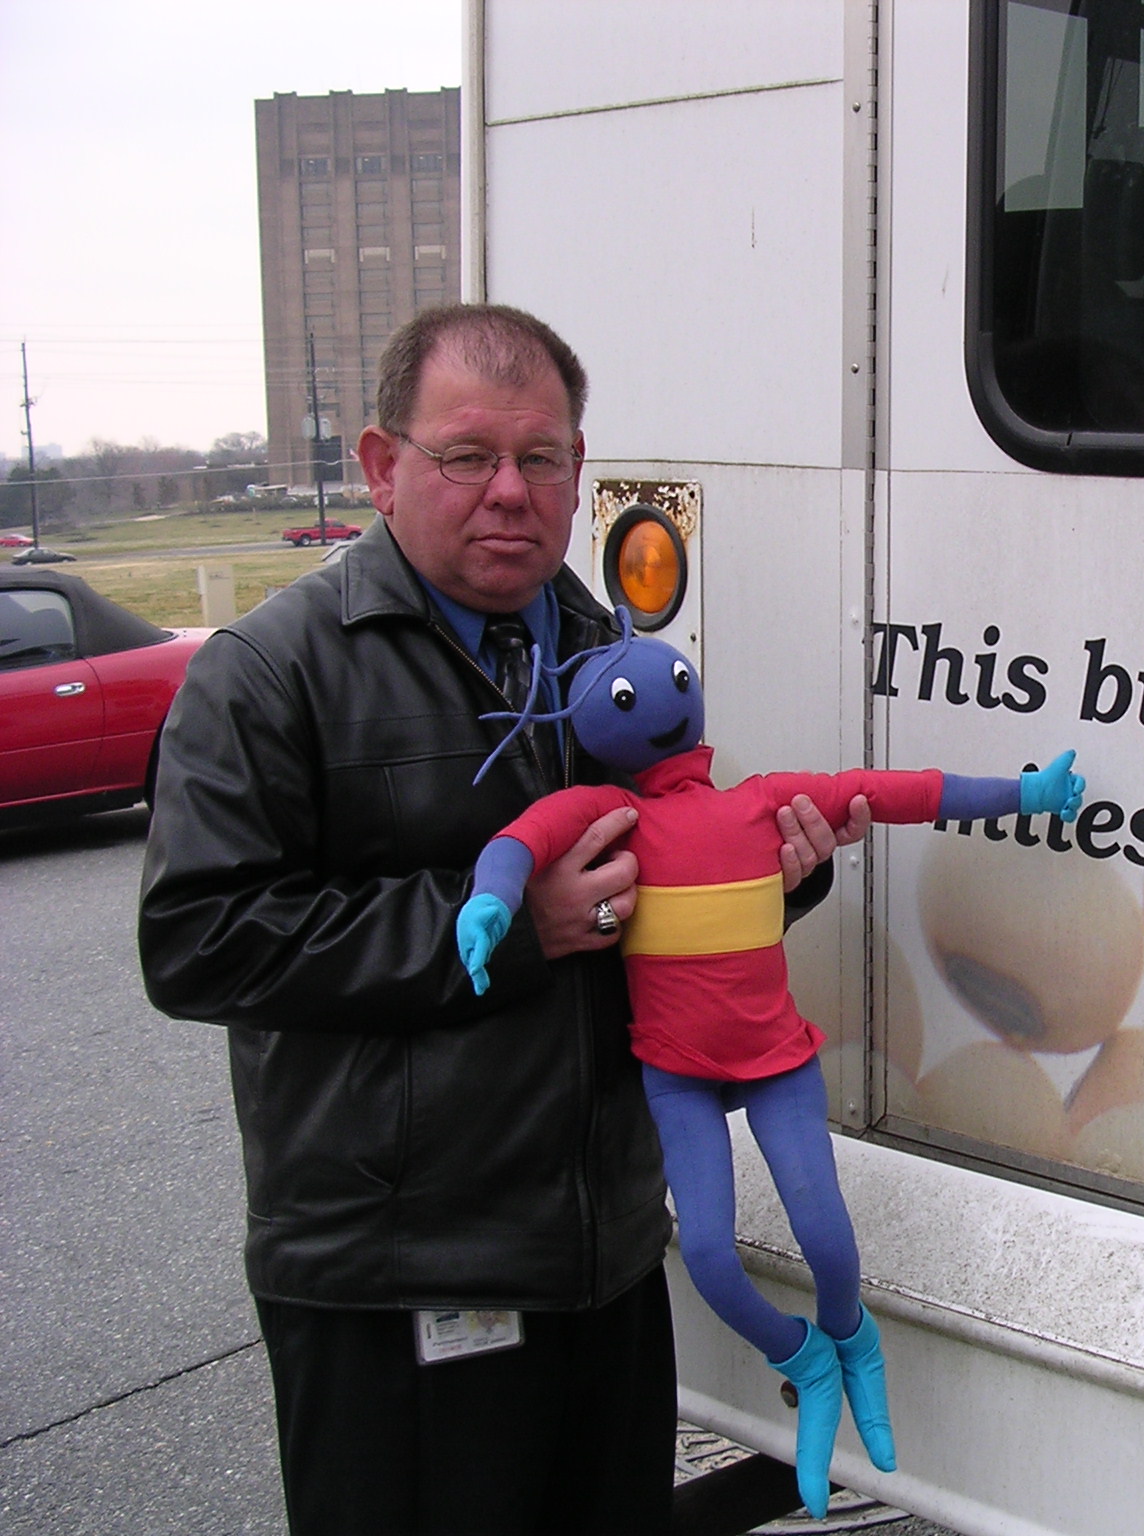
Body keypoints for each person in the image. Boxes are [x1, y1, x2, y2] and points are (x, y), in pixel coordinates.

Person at [138, 302, 868, 1536]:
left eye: (541, 458)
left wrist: (776, 881)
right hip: (400, 1269)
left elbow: (646, 901)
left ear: (580, 472)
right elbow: (200, 938)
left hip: (604, 1248)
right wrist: (505, 925)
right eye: (466, 456)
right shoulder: (272, 671)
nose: (509, 491)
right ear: (382, 467)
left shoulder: (607, 651)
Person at [450, 616, 1083, 1518]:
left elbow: (895, 792)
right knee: (707, 1256)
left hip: (775, 1061)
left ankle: (852, 1337)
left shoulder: (762, 801)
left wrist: (1022, 793)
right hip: (673, 1074)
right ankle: (805, 1359)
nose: (659, 704)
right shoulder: (610, 816)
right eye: (629, 698)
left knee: (828, 1240)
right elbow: (522, 839)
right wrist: (489, 900)